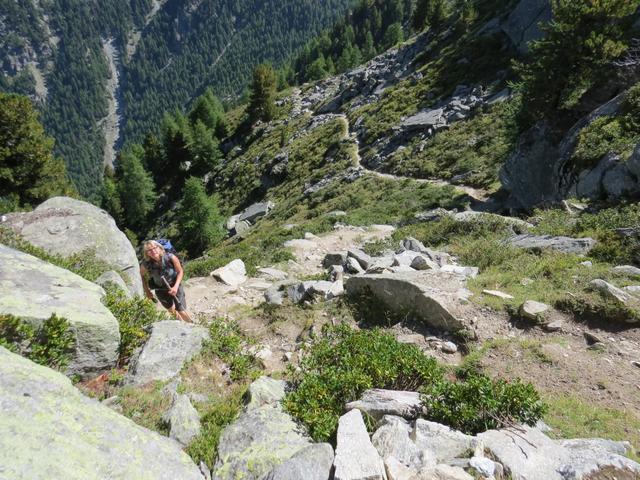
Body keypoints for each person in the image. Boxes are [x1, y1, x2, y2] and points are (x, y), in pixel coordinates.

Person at [140, 240, 192, 322]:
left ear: (159, 248)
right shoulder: (146, 264)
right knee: (172, 311)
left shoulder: (170, 257)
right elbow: (141, 275)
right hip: (160, 289)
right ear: (147, 253)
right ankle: (181, 324)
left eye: (154, 248)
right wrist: (147, 291)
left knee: (181, 311)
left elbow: (180, 271)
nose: (153, 251)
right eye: (149, 250)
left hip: (175, 286)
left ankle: (192, 327)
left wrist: (175, 287)